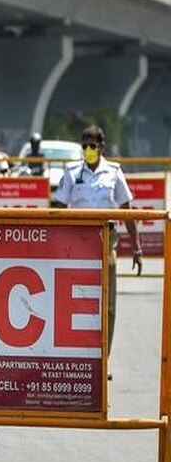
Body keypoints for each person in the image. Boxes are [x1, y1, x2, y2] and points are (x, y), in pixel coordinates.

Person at [52, 124, 142, 363]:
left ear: (102, 146)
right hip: (77, 241)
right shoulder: (71, 173)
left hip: (105, 240)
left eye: (92, 145)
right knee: (73, 300)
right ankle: (77, 358)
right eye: (85, 146)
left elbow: (126, 210)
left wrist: (137, 247)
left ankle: (104, 360)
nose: (88, 150)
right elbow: (58, 209)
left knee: (107, 304)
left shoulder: (114, 172)